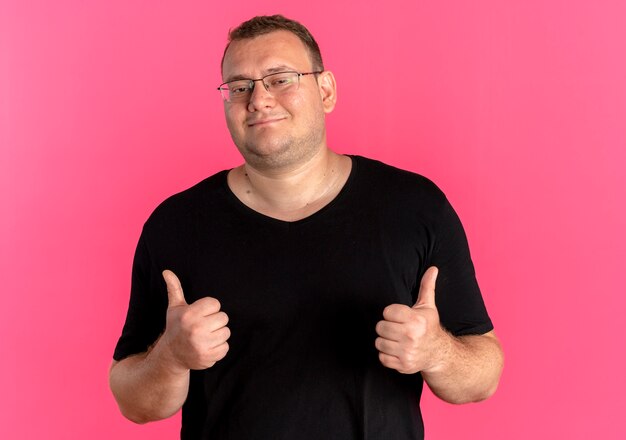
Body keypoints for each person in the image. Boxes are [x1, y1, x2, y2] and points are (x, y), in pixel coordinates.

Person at [109, 14, 503, 440]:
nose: (258, 99)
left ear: (326, 90)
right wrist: (171, 356)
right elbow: (133, 402)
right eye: (239, 87)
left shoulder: (415, 208)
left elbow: (484, 376)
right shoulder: (176, 224)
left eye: (280, 79)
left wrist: (435, 352)